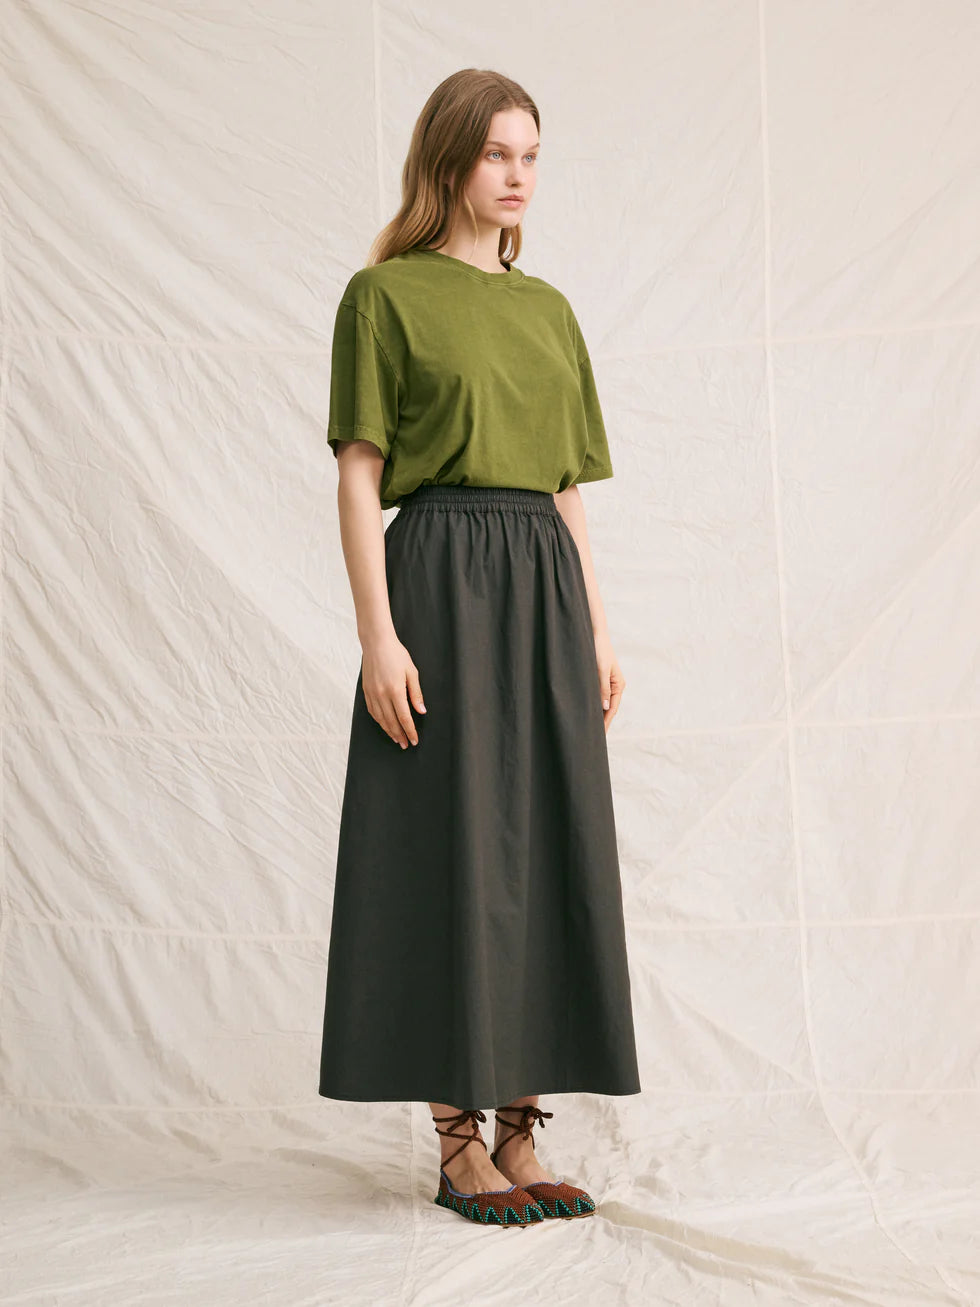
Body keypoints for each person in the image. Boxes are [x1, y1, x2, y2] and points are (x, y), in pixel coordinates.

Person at [318, 67, 641, 1228]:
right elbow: (359, 474)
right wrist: (377, 635)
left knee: (546, 840)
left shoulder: (547, 310)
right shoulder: (384, 295)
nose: (517, 175)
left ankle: (520, 1128)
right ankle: (457, 1142)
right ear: (450, 159)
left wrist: (596, 626)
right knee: (449, 842)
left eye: (530, 155)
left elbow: (564, 486)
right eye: (498, 152)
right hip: (440, 580)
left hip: (542, 585)